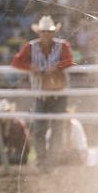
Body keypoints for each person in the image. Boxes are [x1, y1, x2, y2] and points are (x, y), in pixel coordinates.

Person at [9, 15, 75, 167]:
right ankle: (42, 158)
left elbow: (70, 60)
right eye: (44, 31)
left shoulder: (62, 45)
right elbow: (16, 61)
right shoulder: (31, 46)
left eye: (49, 32)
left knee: (57, 128)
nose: (46, 34)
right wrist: (31, 67)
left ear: (53, 33)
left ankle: (52, 159)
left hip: (59, 93)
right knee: (39, 128)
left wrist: (57, 67)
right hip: (41, 93)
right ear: (39, 32)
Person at [0, 99, 30, 166]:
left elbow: (10, 148)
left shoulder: (15, 124)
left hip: (20, 155)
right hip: (14, 153)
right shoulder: (5, 125)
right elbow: (2, 144)